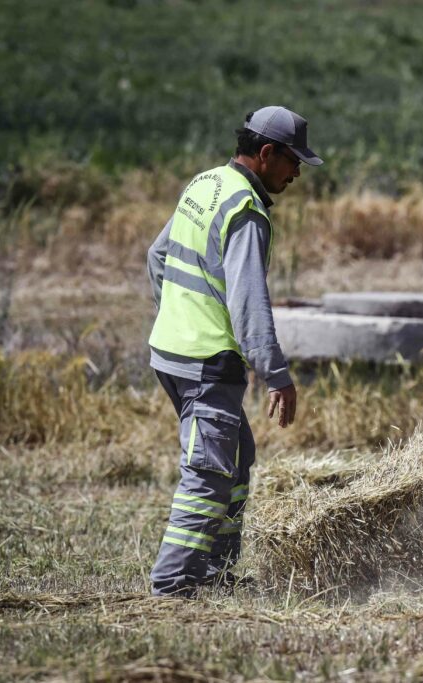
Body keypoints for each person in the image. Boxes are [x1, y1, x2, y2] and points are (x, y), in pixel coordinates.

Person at [145, 106, 322, 597]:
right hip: (205, 361)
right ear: (267, 154)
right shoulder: (246, 208)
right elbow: (248, 300)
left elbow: (157, 257)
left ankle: (217, 573)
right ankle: (174, 584)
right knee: (208, 473)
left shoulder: (204, 184)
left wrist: (174, 315)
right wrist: (277, 373)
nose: (297, 172)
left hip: (172, 353)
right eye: (293, 161)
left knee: (236, 458)